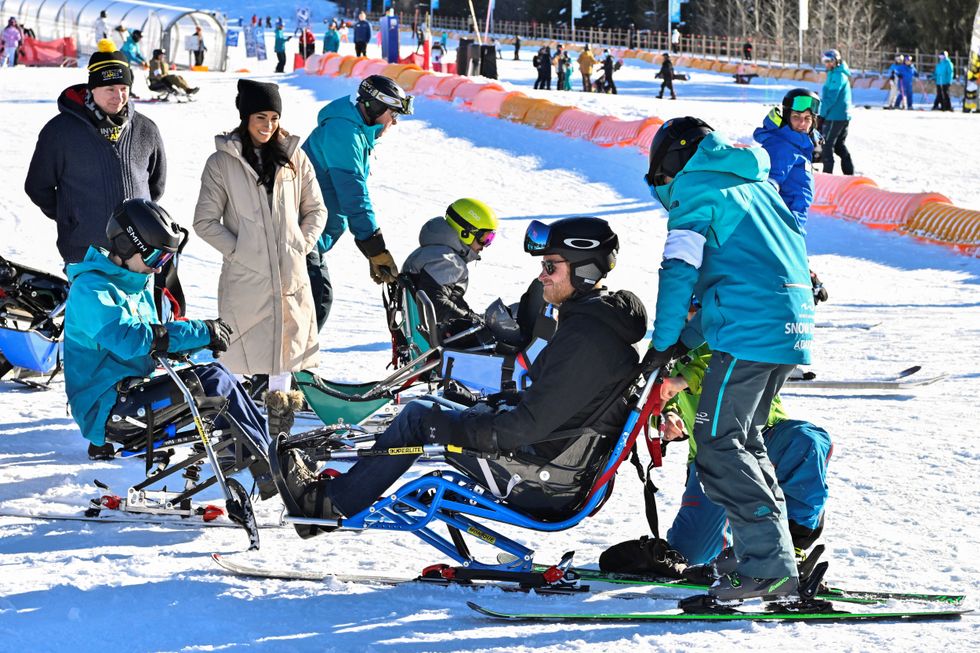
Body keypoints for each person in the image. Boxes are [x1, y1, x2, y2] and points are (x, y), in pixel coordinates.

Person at [273, 217, 648, 539]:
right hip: (552, 464)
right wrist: (481, 406)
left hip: (542, 480)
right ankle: (336, 494)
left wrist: (463, 425)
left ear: (585, 270)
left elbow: (523, 429)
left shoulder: (586, 339)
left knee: (419, 418)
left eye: (551, 267)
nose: (542, 275)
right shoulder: (591, 328)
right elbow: (550, 404)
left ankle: (326, 506)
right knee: (437, 406)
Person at [643, 117, 814, 601]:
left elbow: (679, 271)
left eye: (660, 178)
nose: (662, 190)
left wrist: (663, 341)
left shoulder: (697, 187)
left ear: (673, 163)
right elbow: (738, 275)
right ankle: (770, 557)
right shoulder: (753, 183)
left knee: (716, 440)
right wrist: (685, 339)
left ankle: (767, 567)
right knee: (744, 439)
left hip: (749, 331)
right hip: (786, 325)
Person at [63, 199, 274, 503]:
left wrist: (201, 340)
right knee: (212, 383)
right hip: (108, 410)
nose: (156, 266)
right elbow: (132, 339)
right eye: (153, 256)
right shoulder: (92, 291)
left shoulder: (134, 286)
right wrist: (199, 332)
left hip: (130, 394)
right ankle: (266, 471)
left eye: (163, 260)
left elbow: (154, 343)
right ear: (124, 246)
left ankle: (269, 454)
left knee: (218, 375)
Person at [192, 80, 327, 421]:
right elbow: (205, 221)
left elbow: (317, 210)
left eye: (274, 118)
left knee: (284, 354)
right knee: (238, 354)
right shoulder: (221, 163)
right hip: (246, 278)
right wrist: (241, 253)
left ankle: (280, 433)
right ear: (245, 117)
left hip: (289, 275)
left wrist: (299, 244)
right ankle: (232, 431)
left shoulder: (295, 157)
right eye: (260, 118)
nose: (268, 126)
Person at [660, 342, 831, 567]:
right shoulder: (669, 341)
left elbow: (726, 366)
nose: (693, 310)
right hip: (711, 453)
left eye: (697, 305)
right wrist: (666, 416)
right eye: (689, 306)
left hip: (765, 435)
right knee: (692, 555)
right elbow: (658, 393)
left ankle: (792, 545)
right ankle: (736, 545)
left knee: (807, 441)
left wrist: (686, 378)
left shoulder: (736, 318)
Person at [25, 39, 166, 265]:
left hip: (139, 256)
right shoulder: (59, 132)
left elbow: (156, 186)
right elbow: (37, 187)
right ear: (92, 88)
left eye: (123, 89)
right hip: (86, 253)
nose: (118, 97)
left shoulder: (146, 129)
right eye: (110, 89)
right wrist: (72, 218)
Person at [301, 75, 413, 331]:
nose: (394, 122)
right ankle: (286, 367)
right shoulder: (343, 132)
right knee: (315, 300)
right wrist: (375, 247)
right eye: (393, 114)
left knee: (312, 300)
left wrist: (371, 248)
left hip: (310, 233)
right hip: (299, 231)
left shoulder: (353, 131)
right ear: (375, 107)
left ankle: (284, 366)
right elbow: (353, 193)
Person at [401, 198, 499, 326]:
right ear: (466, 232)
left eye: (490, 239)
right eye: (485, 238)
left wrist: (471, 316)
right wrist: (472, 321)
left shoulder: (433, 252)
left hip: (422, 330)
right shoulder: (448, 260)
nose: (485, 246)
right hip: (436, 337)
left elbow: (451, 300)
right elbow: (437, 306)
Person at [753, 89, 820, 232]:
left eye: (807, 118)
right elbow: (767, 189)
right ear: (787, 117)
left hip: (791, 223)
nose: (802, 123)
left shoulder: (798, 145)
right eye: (796, 116)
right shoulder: (782, 146)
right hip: (779, 226)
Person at [817, 49, 854, 175]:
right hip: (840, 115)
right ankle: (849, 174)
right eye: (825, 61)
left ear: (836, 61)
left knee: (827, 145)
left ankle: (827, 175)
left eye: (829, 61)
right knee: (838, 146)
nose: (827, 64)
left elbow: (830, 98)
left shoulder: (838, 76)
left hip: (835, 115)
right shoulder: (834, 73)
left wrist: (820, 115)